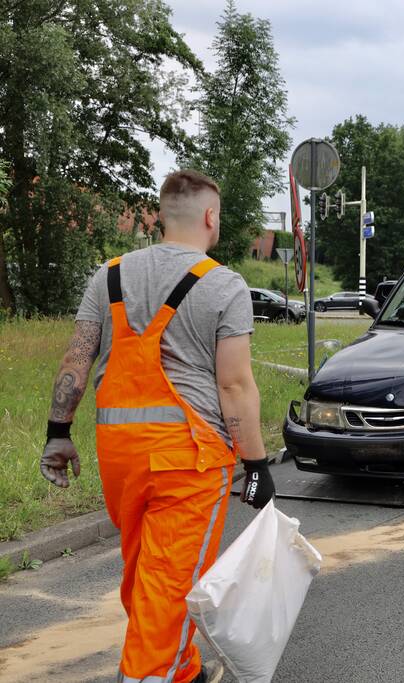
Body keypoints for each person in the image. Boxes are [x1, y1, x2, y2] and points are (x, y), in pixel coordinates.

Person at [39, 170, 276, 683]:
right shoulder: (224, 284)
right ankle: (149, 675)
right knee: (169, 584)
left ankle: (183, 669)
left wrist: (58, 432)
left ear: (159, 214)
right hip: (187, 460)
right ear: (211, 217)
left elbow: (76, 359)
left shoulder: (109, 275)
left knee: (144, 576)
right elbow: (234, 385)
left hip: (120, 454)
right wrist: (255, 461)